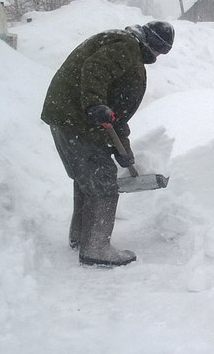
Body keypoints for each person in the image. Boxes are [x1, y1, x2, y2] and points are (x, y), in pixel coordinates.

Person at [40, 20, 175, 267]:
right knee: (102, 180)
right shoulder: (125, 46)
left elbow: (116, 111)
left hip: (71, 116)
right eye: (160, 50)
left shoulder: (126, 49)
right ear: (154, 44)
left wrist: (122, 149)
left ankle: (82, 236)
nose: (157, 56)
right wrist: (94, 104)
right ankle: (96, 247)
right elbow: (95, 69)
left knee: (88, 178)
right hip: (77, 118)